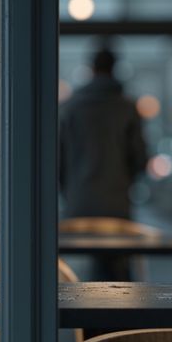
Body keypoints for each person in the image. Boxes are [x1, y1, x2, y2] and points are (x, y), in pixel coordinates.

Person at [59, 48, 148, 219]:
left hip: (78, 200)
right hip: (116, 202)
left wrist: (68, 190)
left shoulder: (71, 108)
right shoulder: (127, 108)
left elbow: (57, 159)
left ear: (92, 69)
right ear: (114, 69)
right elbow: (140, 159)